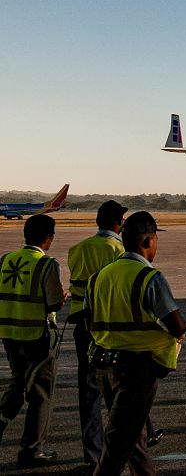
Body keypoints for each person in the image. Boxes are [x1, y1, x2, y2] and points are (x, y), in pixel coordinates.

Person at [85, 211, 186, 476]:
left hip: (105, 366)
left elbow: (89, 322)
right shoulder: (148, 277)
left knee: (135, 438)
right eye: (154, 239)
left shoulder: (99, 277)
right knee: (117, 446)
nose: (156, 245)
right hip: (137, 368)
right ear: (146, 241)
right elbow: (177, 325)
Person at [0, 214, 65, 468]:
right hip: (36, 337)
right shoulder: (47, 264)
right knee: (39, 394)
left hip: (9, 333)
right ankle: (32, 450)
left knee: (17, 384)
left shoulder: (6, 260)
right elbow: (53, 302)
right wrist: (63, 297)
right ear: (49, 238)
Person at [67, 200, 127, 468]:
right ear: (118, 223)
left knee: (89, 391)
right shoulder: (118, 250)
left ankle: (92, 454)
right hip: (110, 326)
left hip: (82, 325)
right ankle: (122, 448)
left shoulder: (77, 249)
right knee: (121, 389)